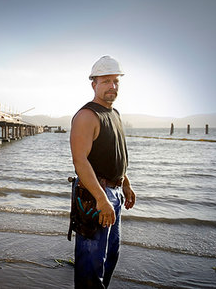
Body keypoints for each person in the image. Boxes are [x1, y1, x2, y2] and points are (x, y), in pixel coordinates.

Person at [69, 55, 136, 288]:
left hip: (114, 193)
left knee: (110, 258)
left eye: (116, 81)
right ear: (93, 84)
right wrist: (101, 199)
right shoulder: (87, 116)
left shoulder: (114, 114)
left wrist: (125, 182)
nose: (112, 86)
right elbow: (80, 161)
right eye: (106, 81)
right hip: (95, 195)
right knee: (91, 264)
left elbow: (115, 153)